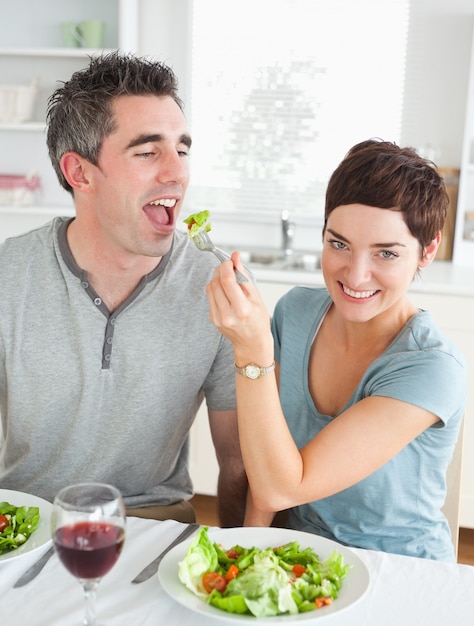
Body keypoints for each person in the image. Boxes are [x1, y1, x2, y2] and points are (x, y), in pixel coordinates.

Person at [0, 52, 247, 526]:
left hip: (153, 522)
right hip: (26, 523)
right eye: (148, 151)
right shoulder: (10, 273)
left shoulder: (216, 284)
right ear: (80, 173)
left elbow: (236, 465)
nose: (177, 172)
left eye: (182, 149)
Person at [206, 139, 467, 560]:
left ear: (428, 250)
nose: (356, 275)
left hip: (394, 568)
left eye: (386, 253)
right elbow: (267, 466)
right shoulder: (296, 312)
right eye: (339, 244)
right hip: (299, 555)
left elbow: (284, 485)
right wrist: (244, 555)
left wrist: (253, 352)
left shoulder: (431, 367)